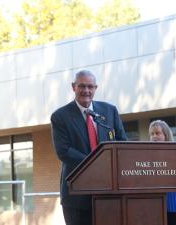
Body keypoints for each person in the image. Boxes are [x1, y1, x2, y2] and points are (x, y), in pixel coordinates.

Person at [51, 70, 128, 225]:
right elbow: (64, 151)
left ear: (96, 88)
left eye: (90, 87)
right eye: (82, 86)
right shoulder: (60, 116)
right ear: (74, 87)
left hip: (108, 193)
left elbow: (122, 143)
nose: (86, 91)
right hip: (76, 195)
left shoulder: (109, 111)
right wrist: (96, 164)